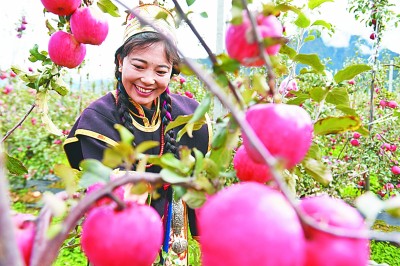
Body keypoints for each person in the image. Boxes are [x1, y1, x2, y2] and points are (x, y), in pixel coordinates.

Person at [63, 3, 211, 265]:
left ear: (172, 72)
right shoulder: (98, 118)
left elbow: (199, 182)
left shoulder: (189, 116)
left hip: (171, 239)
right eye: (139, 66)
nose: (148, 79)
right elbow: (102, 192)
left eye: (161, 71)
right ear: (121, 63)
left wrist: (209, 234)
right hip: (119, 241)